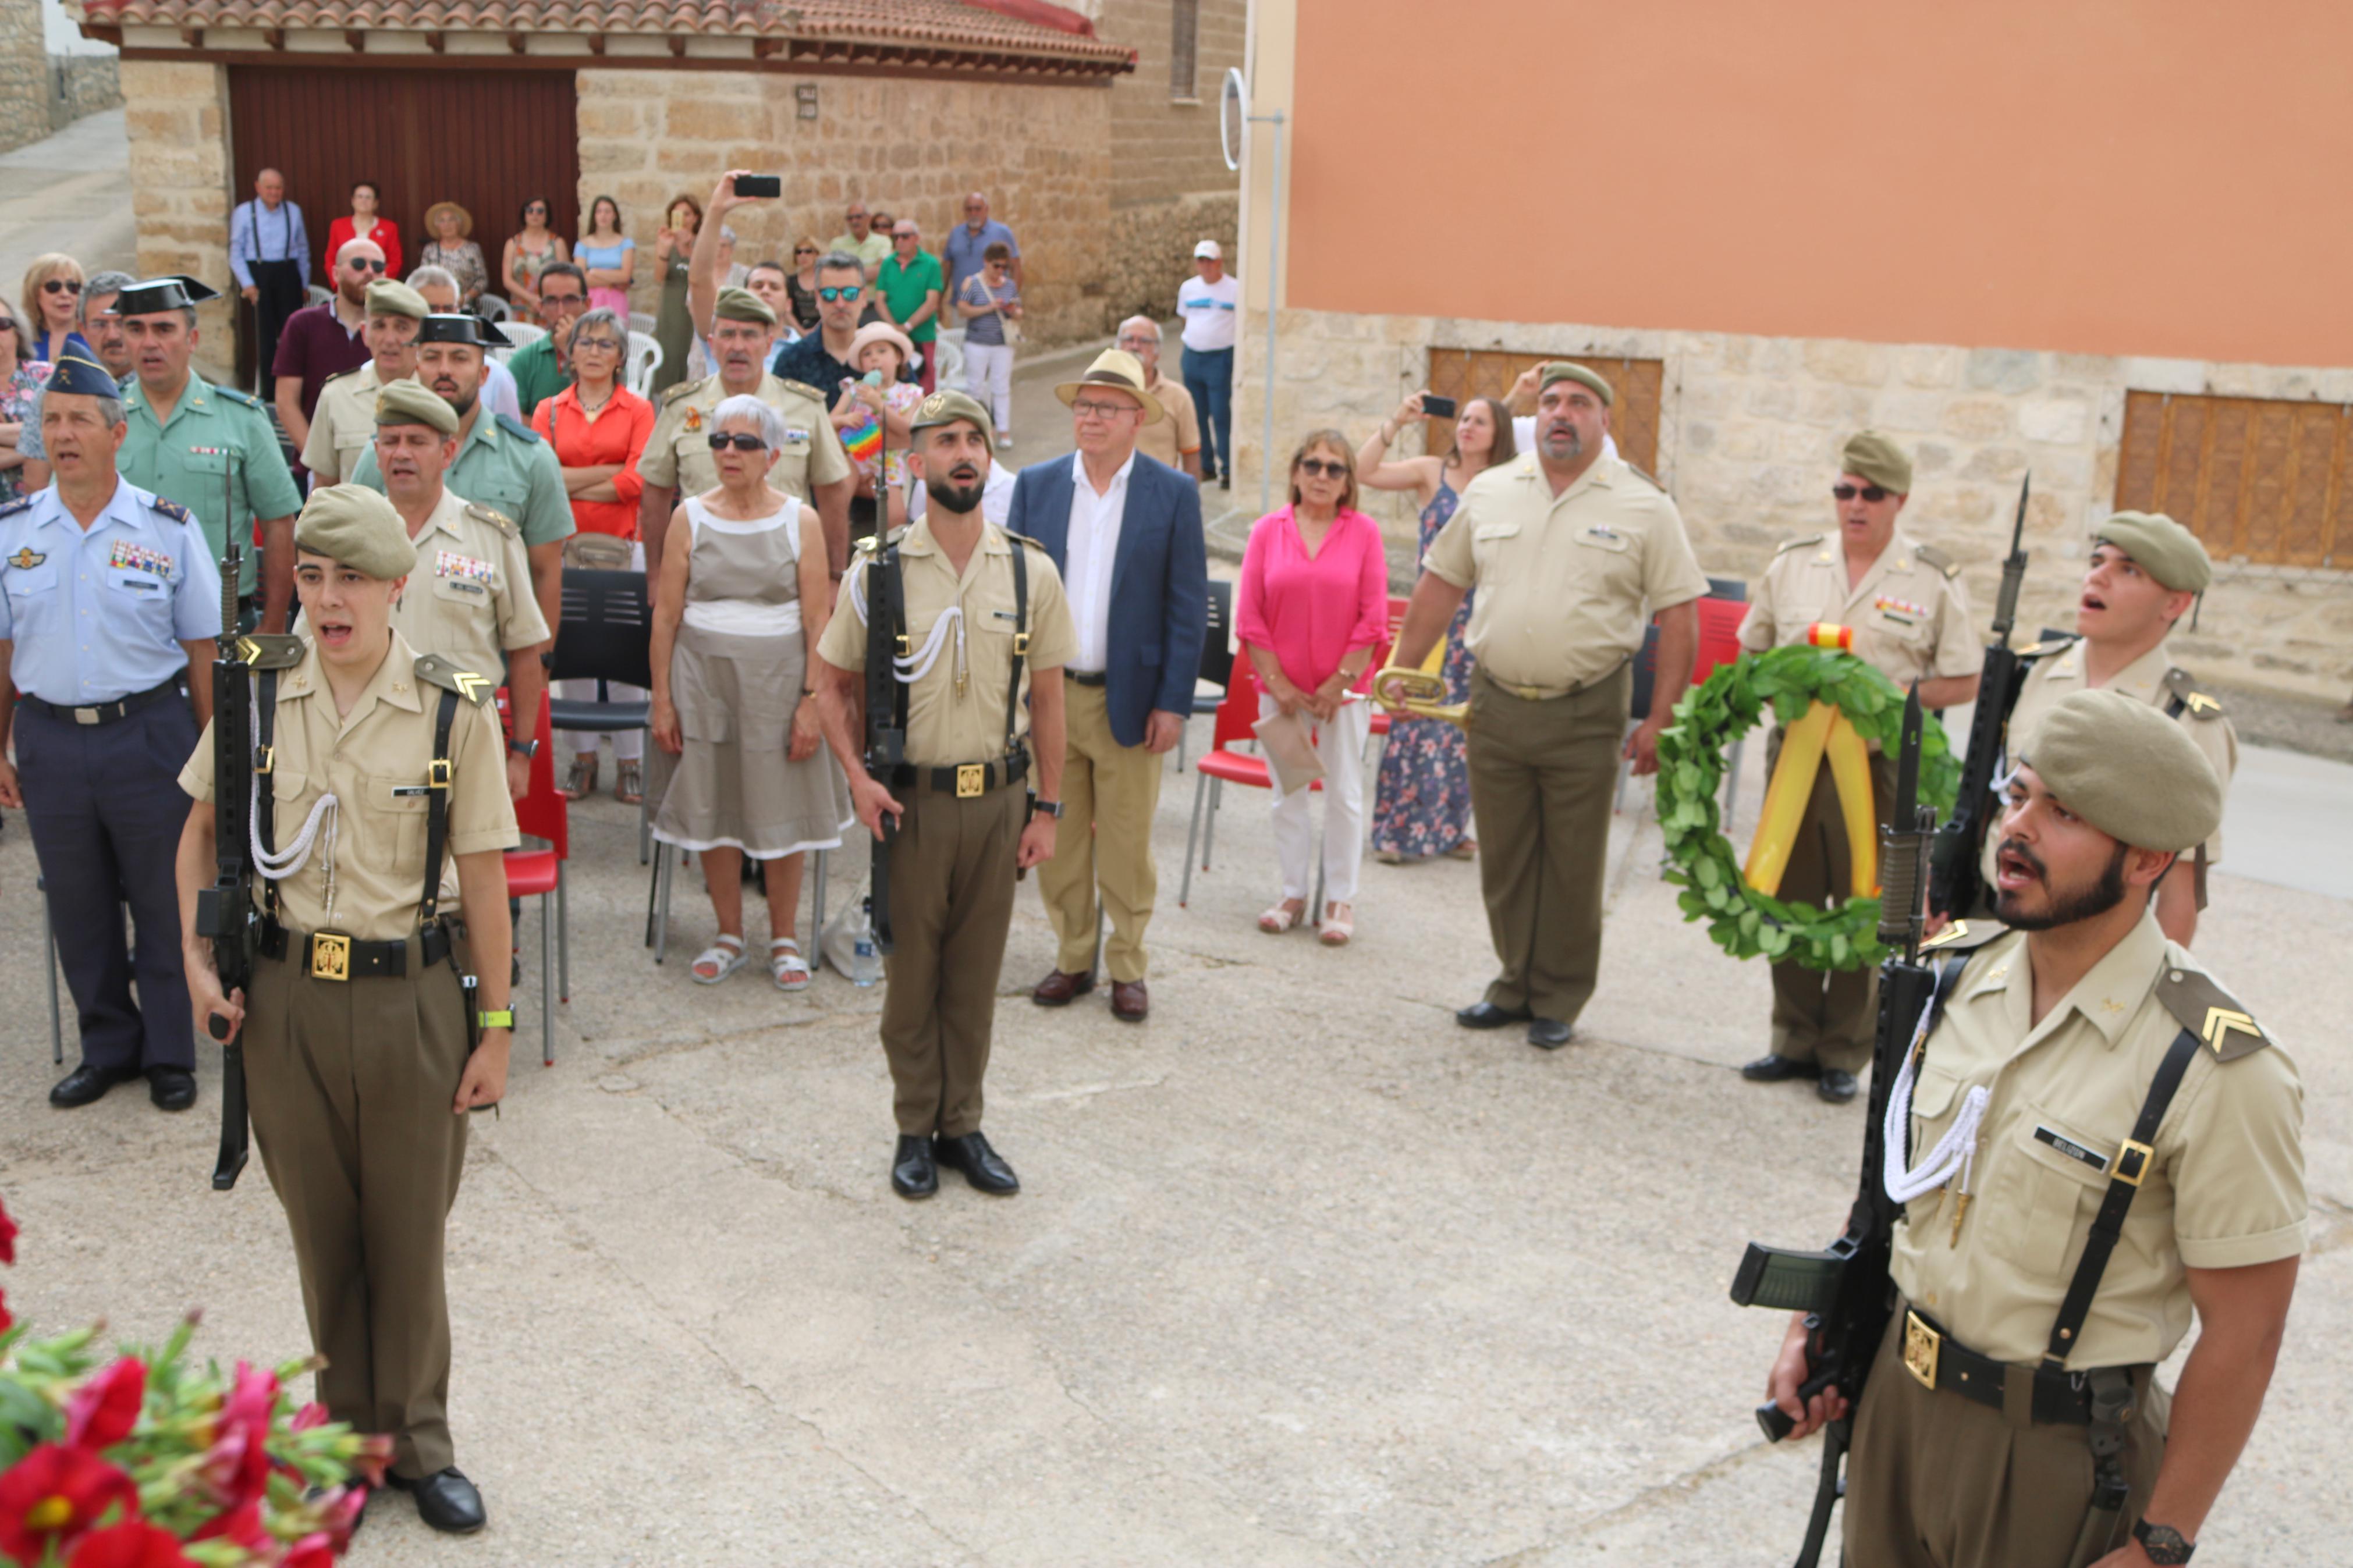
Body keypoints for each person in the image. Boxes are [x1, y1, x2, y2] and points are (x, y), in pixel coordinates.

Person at [1766, 689, 2303, 1568]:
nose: (2015, 829)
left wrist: (2160, 1542)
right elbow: (1899, 1183)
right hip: (1895, 1405)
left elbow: (2245, 1333)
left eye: (2061, 813)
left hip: (2054, 1452)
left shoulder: (2212, 1066)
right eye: (2016, 796)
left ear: (2145, 859)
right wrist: (1822, 1324)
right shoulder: (1950, 975)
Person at [175, 483, 520, 1537]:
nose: (330, 601)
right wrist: (197, 960)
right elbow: (197, 834)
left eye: (353, 580)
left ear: (398, 589)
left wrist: (495, 1030)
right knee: (325, 1239)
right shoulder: (253, 695)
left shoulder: (457, 704)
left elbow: (487, 878)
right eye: (314, 578)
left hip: (411, 997)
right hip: (285, 1002)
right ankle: (342, 1444)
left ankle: (421, 1443)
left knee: (408, 1239)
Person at [1390, 362, 1706, 1050]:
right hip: (1495, 701)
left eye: (1580, 404)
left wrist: (1661, 718)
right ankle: (1511, 982)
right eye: (1554, 401)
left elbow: (1680, 617)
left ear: (1601, 420)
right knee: (1503, 855)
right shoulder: (1494, 490)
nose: (1562, 413)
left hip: (1584, 709)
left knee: (1571, 860)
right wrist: (1401, 671)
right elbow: (1440, 585)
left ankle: (1558, 995)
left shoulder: (1642, 503)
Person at [812, 389, 1073, 1199]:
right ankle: (912, 1124)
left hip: (998, 802)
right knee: (910, 978)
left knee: (973, 974)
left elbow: (1052, 698)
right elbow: (828, 684)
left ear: (988, 460)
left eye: (976, 440)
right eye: (945, 441)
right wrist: (857, 778)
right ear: (914, 462)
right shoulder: (878, 567)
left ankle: (962, 1123)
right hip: (910, 804)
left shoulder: (1029, 567)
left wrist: (1049, 808)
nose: (964, 452)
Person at [2, 352, 219, 1112]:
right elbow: (3, 650)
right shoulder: (14, 532)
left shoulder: (166, 529)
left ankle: (169, 1050)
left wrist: (212, 757)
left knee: (164, 899)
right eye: (52, 420)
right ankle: (108, 1046)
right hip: (51, 739)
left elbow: (202, 651)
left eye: (79, 420)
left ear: (116, 432)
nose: (62, 434)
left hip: (150, 733)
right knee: (78, 901)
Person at [1737, 431, 1980, 1104]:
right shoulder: (1793, 563)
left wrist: (1890, 700)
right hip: (1794, 758)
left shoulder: (1929, 579)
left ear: (1899, 499)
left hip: (1879, 765)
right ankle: (1789, 1038)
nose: (1854, 504)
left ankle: (1842, 1049)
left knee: (1863, 899)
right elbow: (1751, 649)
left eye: (1870, 493)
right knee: (1786, 895)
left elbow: (1962, 677)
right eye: (1844, 490)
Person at [1009, 349, 1207, 1023]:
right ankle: (1072, 958)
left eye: (1105, 408)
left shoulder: (1171, 492)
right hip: (1051, 698)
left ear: (1135, 419)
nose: (1090, 418)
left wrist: (1173, 702)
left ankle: (1127, 964)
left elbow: (1185, 607)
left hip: (1131, 697)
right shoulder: (1035, 486)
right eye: (1083, 406)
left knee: (1125, 844)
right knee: (1056, 840)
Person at [647, 393, 849, 989]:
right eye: (718, 441)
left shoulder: (800, 520)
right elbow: (665, 616)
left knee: (780, 805)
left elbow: (819, 620)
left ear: (773, 454)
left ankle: (784, 937)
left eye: (744, 442)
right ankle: (728, 933)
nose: (728, 453)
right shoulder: (690, 516)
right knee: (713, 801)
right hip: (702, 679)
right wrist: (661, 697)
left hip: (779, 681)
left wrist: (812, 701)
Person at [1975, 512, 2235, 949]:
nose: (2098, 577)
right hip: (1990, 917)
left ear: (2174, 604)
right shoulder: (2032, 671)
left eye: (2127, 569)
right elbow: (1990, 799)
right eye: (2097, 561)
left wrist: (2144, 999)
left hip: (2090, 941)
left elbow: (2181, 886)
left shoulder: (2187, 719)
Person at [1234, 432, 1389, 945]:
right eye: (1313, 465)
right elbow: (1251, 616)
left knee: (1343, 792)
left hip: (1344, 693)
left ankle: (1339, 898)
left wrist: (1336, 684)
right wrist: (1277, 683)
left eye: (1335, 469)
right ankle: (1292, 892)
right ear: (1296, 472)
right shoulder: (1266, 531)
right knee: (1289, 793)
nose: (1322, 476)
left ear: (1348, 482)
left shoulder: (1364, 533)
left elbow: (1374, 620)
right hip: (1280, 691)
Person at [371, 378, 549, 803]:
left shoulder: (491, 537)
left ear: (448, 453)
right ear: (376, 452)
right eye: (390, 440)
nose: (402, 453)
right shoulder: (348, 538)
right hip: (368, 742)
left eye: (417, 441)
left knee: (471, 869)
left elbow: (526, 651)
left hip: (464, 745)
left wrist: (521, 753)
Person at [347, 312, 573, 647]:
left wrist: (540, 665)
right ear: (416, 369)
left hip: (487, 660)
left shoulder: (530, 458)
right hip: (394, 655)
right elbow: (354, 558)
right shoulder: (382, 455)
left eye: (459, 358)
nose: (444, 370)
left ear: (484, 374)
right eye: (432, 357)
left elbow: (546, 572)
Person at [1358, 392, 1514, 864]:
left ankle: (1449, 829)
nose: (1465, 426)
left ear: (1497, 433)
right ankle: (1396, 832)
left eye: (1479, 421)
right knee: (1416, 720)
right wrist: (1397, 419)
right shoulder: (1432, 472)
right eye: (1463, 418)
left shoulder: (1506, 484)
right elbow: (1364, 471)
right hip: (1434, 616)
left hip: (1482, 619)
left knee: (1465, 727)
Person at [115, 276, 304, 632]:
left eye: (164, 329)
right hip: (123, 621)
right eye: (135, 329)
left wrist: (275, 621)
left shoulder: (240, 418)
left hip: (224, 622)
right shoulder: (102, 419)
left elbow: (279, 522)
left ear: (193, 339)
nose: (149, 342)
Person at [634, 285, 853, 583]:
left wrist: (832, 578)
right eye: (727, 334)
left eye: (749, 335)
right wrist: (656, 576)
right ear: (711, 344)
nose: (737, 346)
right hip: (699, 578)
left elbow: (832, 495)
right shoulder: (682, 407)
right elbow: (655, 492)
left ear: (768, 343)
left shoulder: (804, 407)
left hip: (786, 579)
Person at [531, 307, 655, 803]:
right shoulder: (550, 409)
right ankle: (583, 760)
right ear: (570, 352)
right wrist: (606, 471)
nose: (595, 352)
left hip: (626, 546)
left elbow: (638, 481)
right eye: (586, 342)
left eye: (606, 344)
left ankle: (631, 762)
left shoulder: (639, 410)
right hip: (562, 548)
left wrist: (571, 479)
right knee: (573, 657)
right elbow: (542, 480)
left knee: (627, 656)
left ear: (622, 356)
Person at [301, 278, 428, 489]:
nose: (389, 339)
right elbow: (324, 484)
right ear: (365, 333)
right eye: (379, 326)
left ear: (422, 337)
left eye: (402, 327)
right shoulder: (336, 396)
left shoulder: (436, 395)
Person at [12, 270, 136, 481]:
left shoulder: (158, 389)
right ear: (83, 329)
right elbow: (36, 484)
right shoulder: (51, 393)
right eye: (100, 324)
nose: (113, 335)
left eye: (122, 323)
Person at [271, 239, 383, 472]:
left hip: (380, 469)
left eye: (378, 266)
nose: (369, 272)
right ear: (336, 272)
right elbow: (286, 402)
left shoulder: (393, 334)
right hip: (314, 472)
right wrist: (319, 463)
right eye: (359, 264)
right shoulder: (303, 324)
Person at [830, 321, 923, 538]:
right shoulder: (854, 390)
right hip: (854, 457)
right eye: (867, 354)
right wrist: (845, 419)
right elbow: (828, 422)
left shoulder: (911, 394)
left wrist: (878, 405)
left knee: (897, 516)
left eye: (882, 351)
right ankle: (838, 557)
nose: (874, 358)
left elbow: (908, 431)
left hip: (888, 462)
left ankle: (888, 556)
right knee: (837, 497)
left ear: (898, 357)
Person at [229, 169, 311, 385]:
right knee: (265, 338)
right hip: (259, 274)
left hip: (288, 273)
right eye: (269, 188)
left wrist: (304, 281)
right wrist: (248, 284)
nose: (274, 193)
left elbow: (303, 250)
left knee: (292, 333)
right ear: (258, 187)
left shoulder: (293, 211)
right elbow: (236, 252)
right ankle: (268, 391)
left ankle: (296, 386)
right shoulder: (244, 213)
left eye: (278, 188)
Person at [408, 267, 521, 422]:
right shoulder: (395, 368)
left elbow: (509, 438)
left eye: (448, 308)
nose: (442, 315)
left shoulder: (496, 375)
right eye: (432, 309)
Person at [1177, 240, 1239, 490]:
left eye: (1210, 261)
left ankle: (1228, 468)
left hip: (1220, 358)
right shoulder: (1188, 289)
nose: (1206, 266)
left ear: (1220, 262)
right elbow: (1184, 318)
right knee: (1197, 415)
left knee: (1221, 414)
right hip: (1193, 356)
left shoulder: (1234, 288)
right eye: (1201, 260)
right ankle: (1206, 466)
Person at [1116, 316, 1199, 479]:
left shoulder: (1179, 397)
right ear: (1118, 347)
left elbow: (1191, 456)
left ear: (1157, 353)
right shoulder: (1101, 392)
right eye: (1129, 339)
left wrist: (1190, 500)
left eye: (1144, 341)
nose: (1135, 346)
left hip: (1160, 492)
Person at [958, 246, 1023, 449]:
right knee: (975, 387)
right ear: (986, 262)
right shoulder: (973, 284)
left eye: (1005, 267)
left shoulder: (1010, 285)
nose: (1000, 271)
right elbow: (962, 310)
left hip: (1002, 344)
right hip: (977, 343)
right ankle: (977, 428)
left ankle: (1003, 430)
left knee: (1001, 387)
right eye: (997, 266)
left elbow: (1020, 312)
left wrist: (1012, 310)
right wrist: (989, 307)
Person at [873, 221, 945, 396]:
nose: (900, 241)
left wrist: (907, 327)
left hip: (922, 337)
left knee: (925, 387)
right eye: (895, 237)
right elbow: (880, 300)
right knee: (894, 386)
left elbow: (931, 303)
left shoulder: (930, 264)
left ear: (916, 238)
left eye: (905, 236)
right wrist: (894, 329)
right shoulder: (888, 263)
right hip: (893, 339)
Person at [507, 262, 586, 419]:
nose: (561, 311)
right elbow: (511, 418)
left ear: (587, 304)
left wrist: (570, 350)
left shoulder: (606, 355)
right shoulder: (524, 360)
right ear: (541, 307)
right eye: (551, 301)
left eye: (570, 300)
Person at [650, 194, 703, 397]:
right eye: (678, 214)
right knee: (670, 356)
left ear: (696, 218)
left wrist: (689, 247)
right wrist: (664, 249)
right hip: (672, 309)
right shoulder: (666, 243)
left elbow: (705, 272)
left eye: (687, 214)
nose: (683, 218)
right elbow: (659, 276)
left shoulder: (702, 243)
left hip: (696, 310)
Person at [942, 192, 1021, 325]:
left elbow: (1016, 268)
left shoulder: (1002, 232)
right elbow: (946, 269)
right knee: (961, 344)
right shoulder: (956, 234)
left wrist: (1011, 300)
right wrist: (940, 300)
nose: (973, 213)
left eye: (977, 209)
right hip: (962, 307)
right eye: (969, 209)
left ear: (986, 209)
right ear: (964, 211)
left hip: (993, 307)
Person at [0, 300, 48, 500]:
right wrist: (42, 446)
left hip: (45, 505)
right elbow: (51, 438)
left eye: (2, 325)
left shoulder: (48, 376)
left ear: (17, 332)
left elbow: (67, 434)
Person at [500, 195, 567, 325]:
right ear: (524, 214)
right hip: (521, 307)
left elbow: (565, 276)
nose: (535, 214)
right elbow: (507, 280)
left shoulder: (557, 243)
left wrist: (545, 300)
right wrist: (531, 299)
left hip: (551, 306)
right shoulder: (513, 243)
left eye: (540, 211)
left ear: (547, 215)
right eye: (530, 210)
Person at [324, 179, 403, 289]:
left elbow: (395, 261)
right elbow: (331, 258)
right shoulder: (337, 225)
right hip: (347, 286)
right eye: (360, 197)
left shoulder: (389, 227)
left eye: (368, 197)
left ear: (376, 203)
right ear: (353, 201)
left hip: (378, 287)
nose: (363, 201)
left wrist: (379, 283)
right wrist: (339, 284)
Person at [21, 254, 92, 371]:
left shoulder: (95, 337)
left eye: (73, 287)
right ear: (34, 293)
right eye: (54, 287)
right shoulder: (21, 342)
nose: (65, 294)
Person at [418, 202, 488, 314]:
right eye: (442, 221)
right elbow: (423, 279)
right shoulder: (430, 250)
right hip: (437, 308)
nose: (447, 225)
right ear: (437, 226)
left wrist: (465, 298)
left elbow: (482, 280)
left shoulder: (472, 248)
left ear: (459, 224)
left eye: (452, 220)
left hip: (466, 307)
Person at [577, 195, 636, 318]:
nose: (603, 215)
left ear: (615, 216)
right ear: (594, 216)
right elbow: (580, 278)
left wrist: (594, 272)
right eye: (599, 211)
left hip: (616, 299)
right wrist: (614, 279)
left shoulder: (626, 243)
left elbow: (626, 276)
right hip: (590, 300)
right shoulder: (583, 244)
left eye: (607, 211)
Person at [828, 202, 889, 282]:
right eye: (850, 218)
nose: (854, 221)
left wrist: (845, 274)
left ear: (869, 218)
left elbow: (882, 270)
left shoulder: (883, 241)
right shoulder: (837, 244)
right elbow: (833, 273)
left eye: (858, 217)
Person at [783, 239, 824, 333]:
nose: (803, 256)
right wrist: (802, 332)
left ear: (816, 254)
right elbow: (787, 311)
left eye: (808, 251)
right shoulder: (790, 282)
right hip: (798, 333)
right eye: (799, 252)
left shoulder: (824, 280)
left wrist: (816, 330)